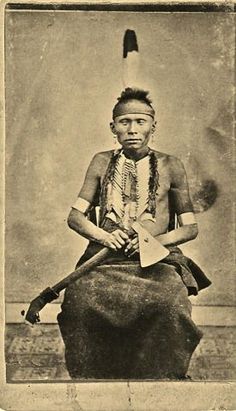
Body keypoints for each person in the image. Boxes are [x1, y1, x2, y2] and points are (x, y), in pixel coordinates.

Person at [57, 88, 211, 380]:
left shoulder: (171, 165)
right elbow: (75, 216)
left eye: (140, 121)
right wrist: (104, 237)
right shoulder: (101, 161)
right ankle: (94, 383)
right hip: (104, 260)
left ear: (154, 125)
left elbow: (190, 227)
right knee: (79, 302)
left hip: (156, 261)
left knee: (170, 305)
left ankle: (161, 382)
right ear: (112, 127)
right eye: (124, 121)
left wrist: (152, 242)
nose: (132, 129)